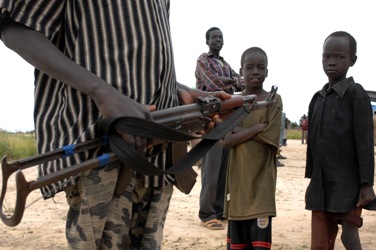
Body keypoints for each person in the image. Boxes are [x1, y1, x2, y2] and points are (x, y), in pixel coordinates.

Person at [0, 2, 231, 249]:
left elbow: (138, 60)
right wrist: (102, 93)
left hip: (157, 159)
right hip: (102, 150)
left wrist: (180, 90)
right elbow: (14, 28)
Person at [305, 31, 376, 250]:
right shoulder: (317, 98)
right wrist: (312, 176)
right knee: (320, 242)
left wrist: (367, 184)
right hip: (321, 184)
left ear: (352, 60)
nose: (331, 62)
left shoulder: (356, 94)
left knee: (349, 234)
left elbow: (364, 142)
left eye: (339, 57)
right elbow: (313, 144)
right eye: (327, 56)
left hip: (349, 183)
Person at [221, 47, 283, 249]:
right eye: (250, 67)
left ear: (267, 72)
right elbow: (225, 140)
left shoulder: (273, 100)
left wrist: (238, 131)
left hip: (262, 188)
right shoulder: (233, 102)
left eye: (260, 67)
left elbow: (271, 137)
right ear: (241, 71)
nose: (255, 71)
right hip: (237, 188)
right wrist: (258, 128)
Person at [195, 27, 244, 230]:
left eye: (220, 37)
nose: (218, 40)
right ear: (207, 41)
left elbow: (241, 82)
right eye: (214, 37)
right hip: (211, 119)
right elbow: (213, 84)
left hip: (229, 118)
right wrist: (231, 82)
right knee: (212, 168)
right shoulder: (203, 60)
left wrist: (231, 82)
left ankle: (219, 209)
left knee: (224, 167)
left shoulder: (224, 63)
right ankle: (207, 213)